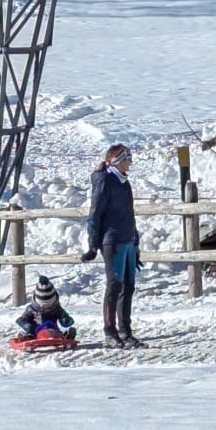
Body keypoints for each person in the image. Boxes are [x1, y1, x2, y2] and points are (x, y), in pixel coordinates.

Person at [83, 144, 143, 348]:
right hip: (113, 241)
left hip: (128, 240)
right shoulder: (105, 181)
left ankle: (125, 331)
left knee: (129, 286)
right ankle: (110, 332)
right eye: (127, 159)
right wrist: (93, 243)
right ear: (117, 161)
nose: (130, 163)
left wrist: (135, 241)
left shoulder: (124, 183)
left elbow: (129, 214)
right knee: (114, 285)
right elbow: (95, 213)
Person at [12, 276, 77, 344]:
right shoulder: (31, 309)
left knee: (55, 330)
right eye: (43, 305)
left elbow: (65, 318)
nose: (46, 307)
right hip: (36, 332)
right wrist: (28, 326)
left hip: (53, 331)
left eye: (49, 305)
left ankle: (66, 336)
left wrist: (66, 320)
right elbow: (21, 320)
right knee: (30, 334)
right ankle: (25, 338)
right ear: (37, 302)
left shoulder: (56, 309)